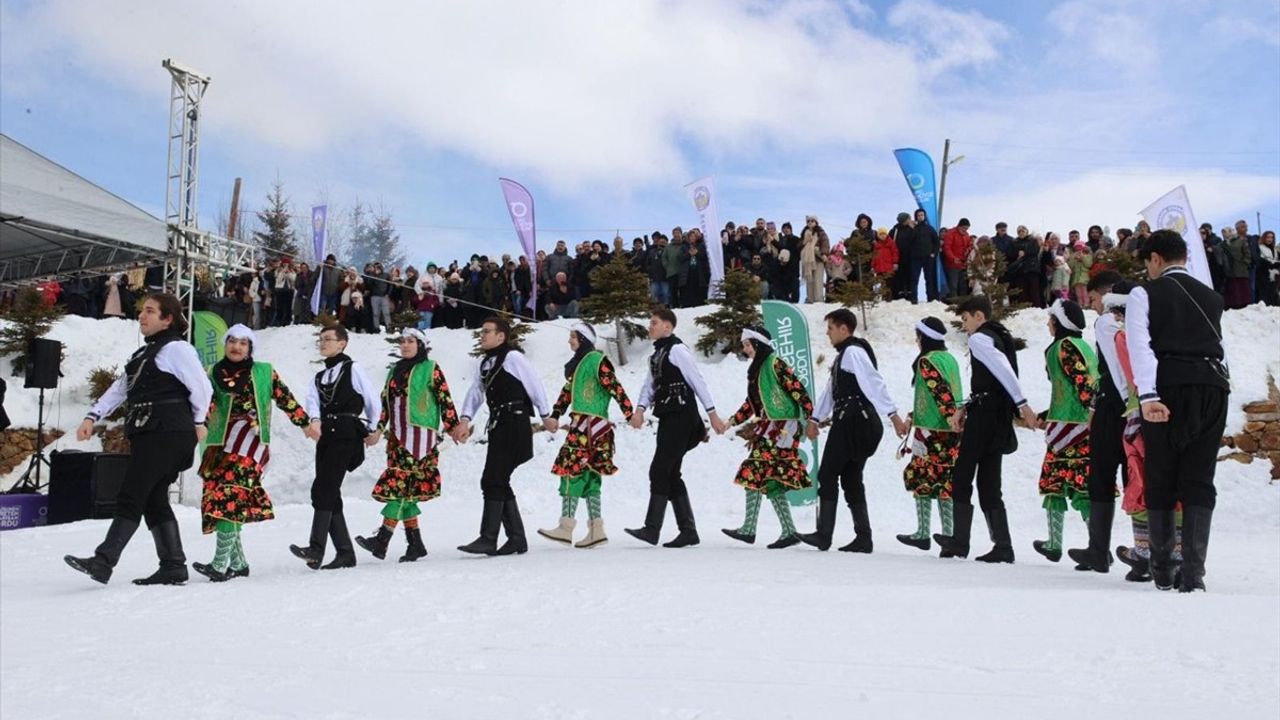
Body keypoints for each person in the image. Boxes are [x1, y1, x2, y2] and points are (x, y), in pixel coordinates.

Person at [65, 293, 214, 585]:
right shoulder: (143, 355)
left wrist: (199, 422)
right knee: (154, 498)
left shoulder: (177, 349)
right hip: (153, 433)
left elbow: (202, 387)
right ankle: (173, 565)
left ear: (168, 318)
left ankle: (104, 560)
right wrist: (92, 416)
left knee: (132, 493)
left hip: (169, 432)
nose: (141, 316)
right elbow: (121, 389)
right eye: (141, 311)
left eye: (150, 311)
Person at [1126, 229, 1229, 592]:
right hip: (1214, 386)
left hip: (1168, 386)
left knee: (1162, 471)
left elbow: (1141, 345)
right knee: (1200, 476)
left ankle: (1162, 568)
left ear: (1155, 259)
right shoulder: (1211, 297)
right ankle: (1193, 575)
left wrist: (1148, 395)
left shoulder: (1145, 293)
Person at [191, 324, 311, 581]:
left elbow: (285, 399)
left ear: (250, 348)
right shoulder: (212, 372)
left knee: (229, 495)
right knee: (221, 496)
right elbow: (206, 404)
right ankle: (239, 563)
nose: (236, 346)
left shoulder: (264, 372)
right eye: (232, 341)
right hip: (219, 443)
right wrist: (197, 424)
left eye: (243, 343)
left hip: (250, 440)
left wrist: (305, 423)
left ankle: (219, 564)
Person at [934, 296, 1040, 562]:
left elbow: (1002, 370)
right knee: (990, 482)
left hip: (984, 418)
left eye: (966, 319)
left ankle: (959, 541)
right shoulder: (1000, 335)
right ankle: (1003, 546)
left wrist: (1024, 404)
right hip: (998, 416)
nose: (965, 325)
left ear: (979, 316)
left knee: (962, 475)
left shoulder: (980, 339)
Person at [800, 309, 908, 552]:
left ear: (843, 329)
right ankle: (863, 537)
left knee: (828, 473)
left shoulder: (853, 352)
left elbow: (873, 382)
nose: (827, 334)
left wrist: (894, 415)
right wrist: (815, 419)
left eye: (830, 328)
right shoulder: (844, 356)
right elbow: (831, 390)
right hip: (856, 421)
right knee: (850, 478)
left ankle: (824, 535)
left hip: (853, 421)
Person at [355, 329, 459, 563]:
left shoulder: (431, 368)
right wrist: (379, 429)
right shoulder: (395, 371)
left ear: (421, 345)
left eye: (410, 341)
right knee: (406, 489)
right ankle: (415, 544)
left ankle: (382, 539)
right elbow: (385, 404)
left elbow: (445, 399)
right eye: (402, 341)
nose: (405, 345)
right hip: (398, 437)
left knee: (400, 486)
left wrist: (452, 426)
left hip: (421, 437)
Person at [626, 307, 725, 548]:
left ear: (667, 327)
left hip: (682, 417)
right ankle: (688, 531)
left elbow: (696, 381)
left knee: (659, 470)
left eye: (654, 322)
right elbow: (650, 386)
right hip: (669, 418)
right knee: (670, 473)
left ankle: (652, 529)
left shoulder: (678, 350)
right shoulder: (657, 355)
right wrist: (639, 410)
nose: (650, 326)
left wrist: (712, 414)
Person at [454, 317, 551, 556]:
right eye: (482, 331)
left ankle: (489, 538)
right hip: (499, 424)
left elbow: (534, 384)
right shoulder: (484, 362)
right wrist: (465, 419)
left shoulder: (513, 358)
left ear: (501, 336)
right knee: (497, 480)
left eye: (487, 331)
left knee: (493, 479)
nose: (482, 335)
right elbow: (476, 391)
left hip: (514, 422)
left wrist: (546, 413)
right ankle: (516, 538)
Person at [290, 324, 382, 570]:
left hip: (346, 432)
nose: (322, 343)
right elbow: (312, 403)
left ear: (342, 344)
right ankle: (344, 552)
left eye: (328, 339)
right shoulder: (319, 377)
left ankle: (316, 547)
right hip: (327, 437)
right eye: (320, 339)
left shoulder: (353, 369)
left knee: (325, 488)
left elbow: (373, 399)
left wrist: (374, 428)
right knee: (326, 491)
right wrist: (315, 420)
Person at [538, 322, 634, 549]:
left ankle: (566, 527)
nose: (569, 340)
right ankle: (596, 530)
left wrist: (629, 413)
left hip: (586, 428)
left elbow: (615, 387)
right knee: (591, 477)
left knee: (570, 470)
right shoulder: (581, 364)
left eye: (573, 336)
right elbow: (567, 393)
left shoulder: (596, 361)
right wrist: (555, 414)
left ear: (583, 338)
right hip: (597, 430)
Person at [720, 326, 814, 549]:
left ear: (758, 344)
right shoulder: (759, 368)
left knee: (752, 470)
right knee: (771, 481)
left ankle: (749, 529)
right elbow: (752, 402)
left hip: (782, 427)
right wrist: (732, 421)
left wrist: (812, 418)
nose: (745, 350)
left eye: (747, 345)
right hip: (770, 426)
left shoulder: (775, 363)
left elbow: (798, 390)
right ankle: (788, 531)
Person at [1067, 271, 1128, 573]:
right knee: (1134, 476)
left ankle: (1099, 549)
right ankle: (1145, 549)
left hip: (1115, 404)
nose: (1090, 305)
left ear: (1106, 294)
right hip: (1128, 404)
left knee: (1101, 475)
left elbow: (1113, 372)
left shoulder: (1107, 323)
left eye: (1092, 298)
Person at [1032, 300, 1098, 563]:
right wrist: (1049, 413)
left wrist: (1088, 410)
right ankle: (1093, 543)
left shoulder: (1063, 347)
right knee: (1077, 484)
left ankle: (1080, 544)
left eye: (1051, 319)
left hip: (1071, 428)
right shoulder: (1083, 346)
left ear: (1058, 322)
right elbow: (1070, 389)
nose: (1048, 324)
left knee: (1061, 483)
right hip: (1076, 423)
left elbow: (1081, 384)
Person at [895, 317, 963, 552]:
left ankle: (923, 533)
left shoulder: (927, 361)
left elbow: (939, 393)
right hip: (949, 429)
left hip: (933, 431)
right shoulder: (950, 359)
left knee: (922, 478)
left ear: (924, 338)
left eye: (918, 336)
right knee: (945, 481)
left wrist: (947, 419)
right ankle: (948, 536)